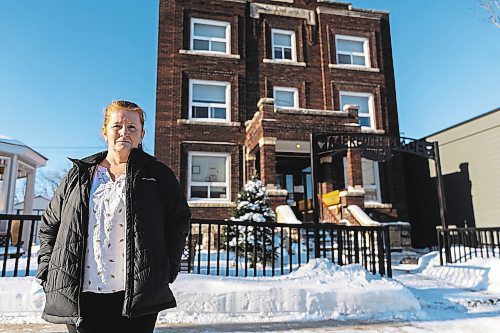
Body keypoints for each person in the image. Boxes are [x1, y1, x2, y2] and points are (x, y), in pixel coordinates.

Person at [36, 100, 191, 333]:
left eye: (132, 127)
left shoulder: (157, 175)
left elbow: (178, 220)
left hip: (137, 294)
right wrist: (47, 269)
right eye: (117, 126)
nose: (124, 133)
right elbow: (50, 224)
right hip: (82, 293)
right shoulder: (79, 175)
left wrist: (166, 269)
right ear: (105, 131)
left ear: (141, 134)